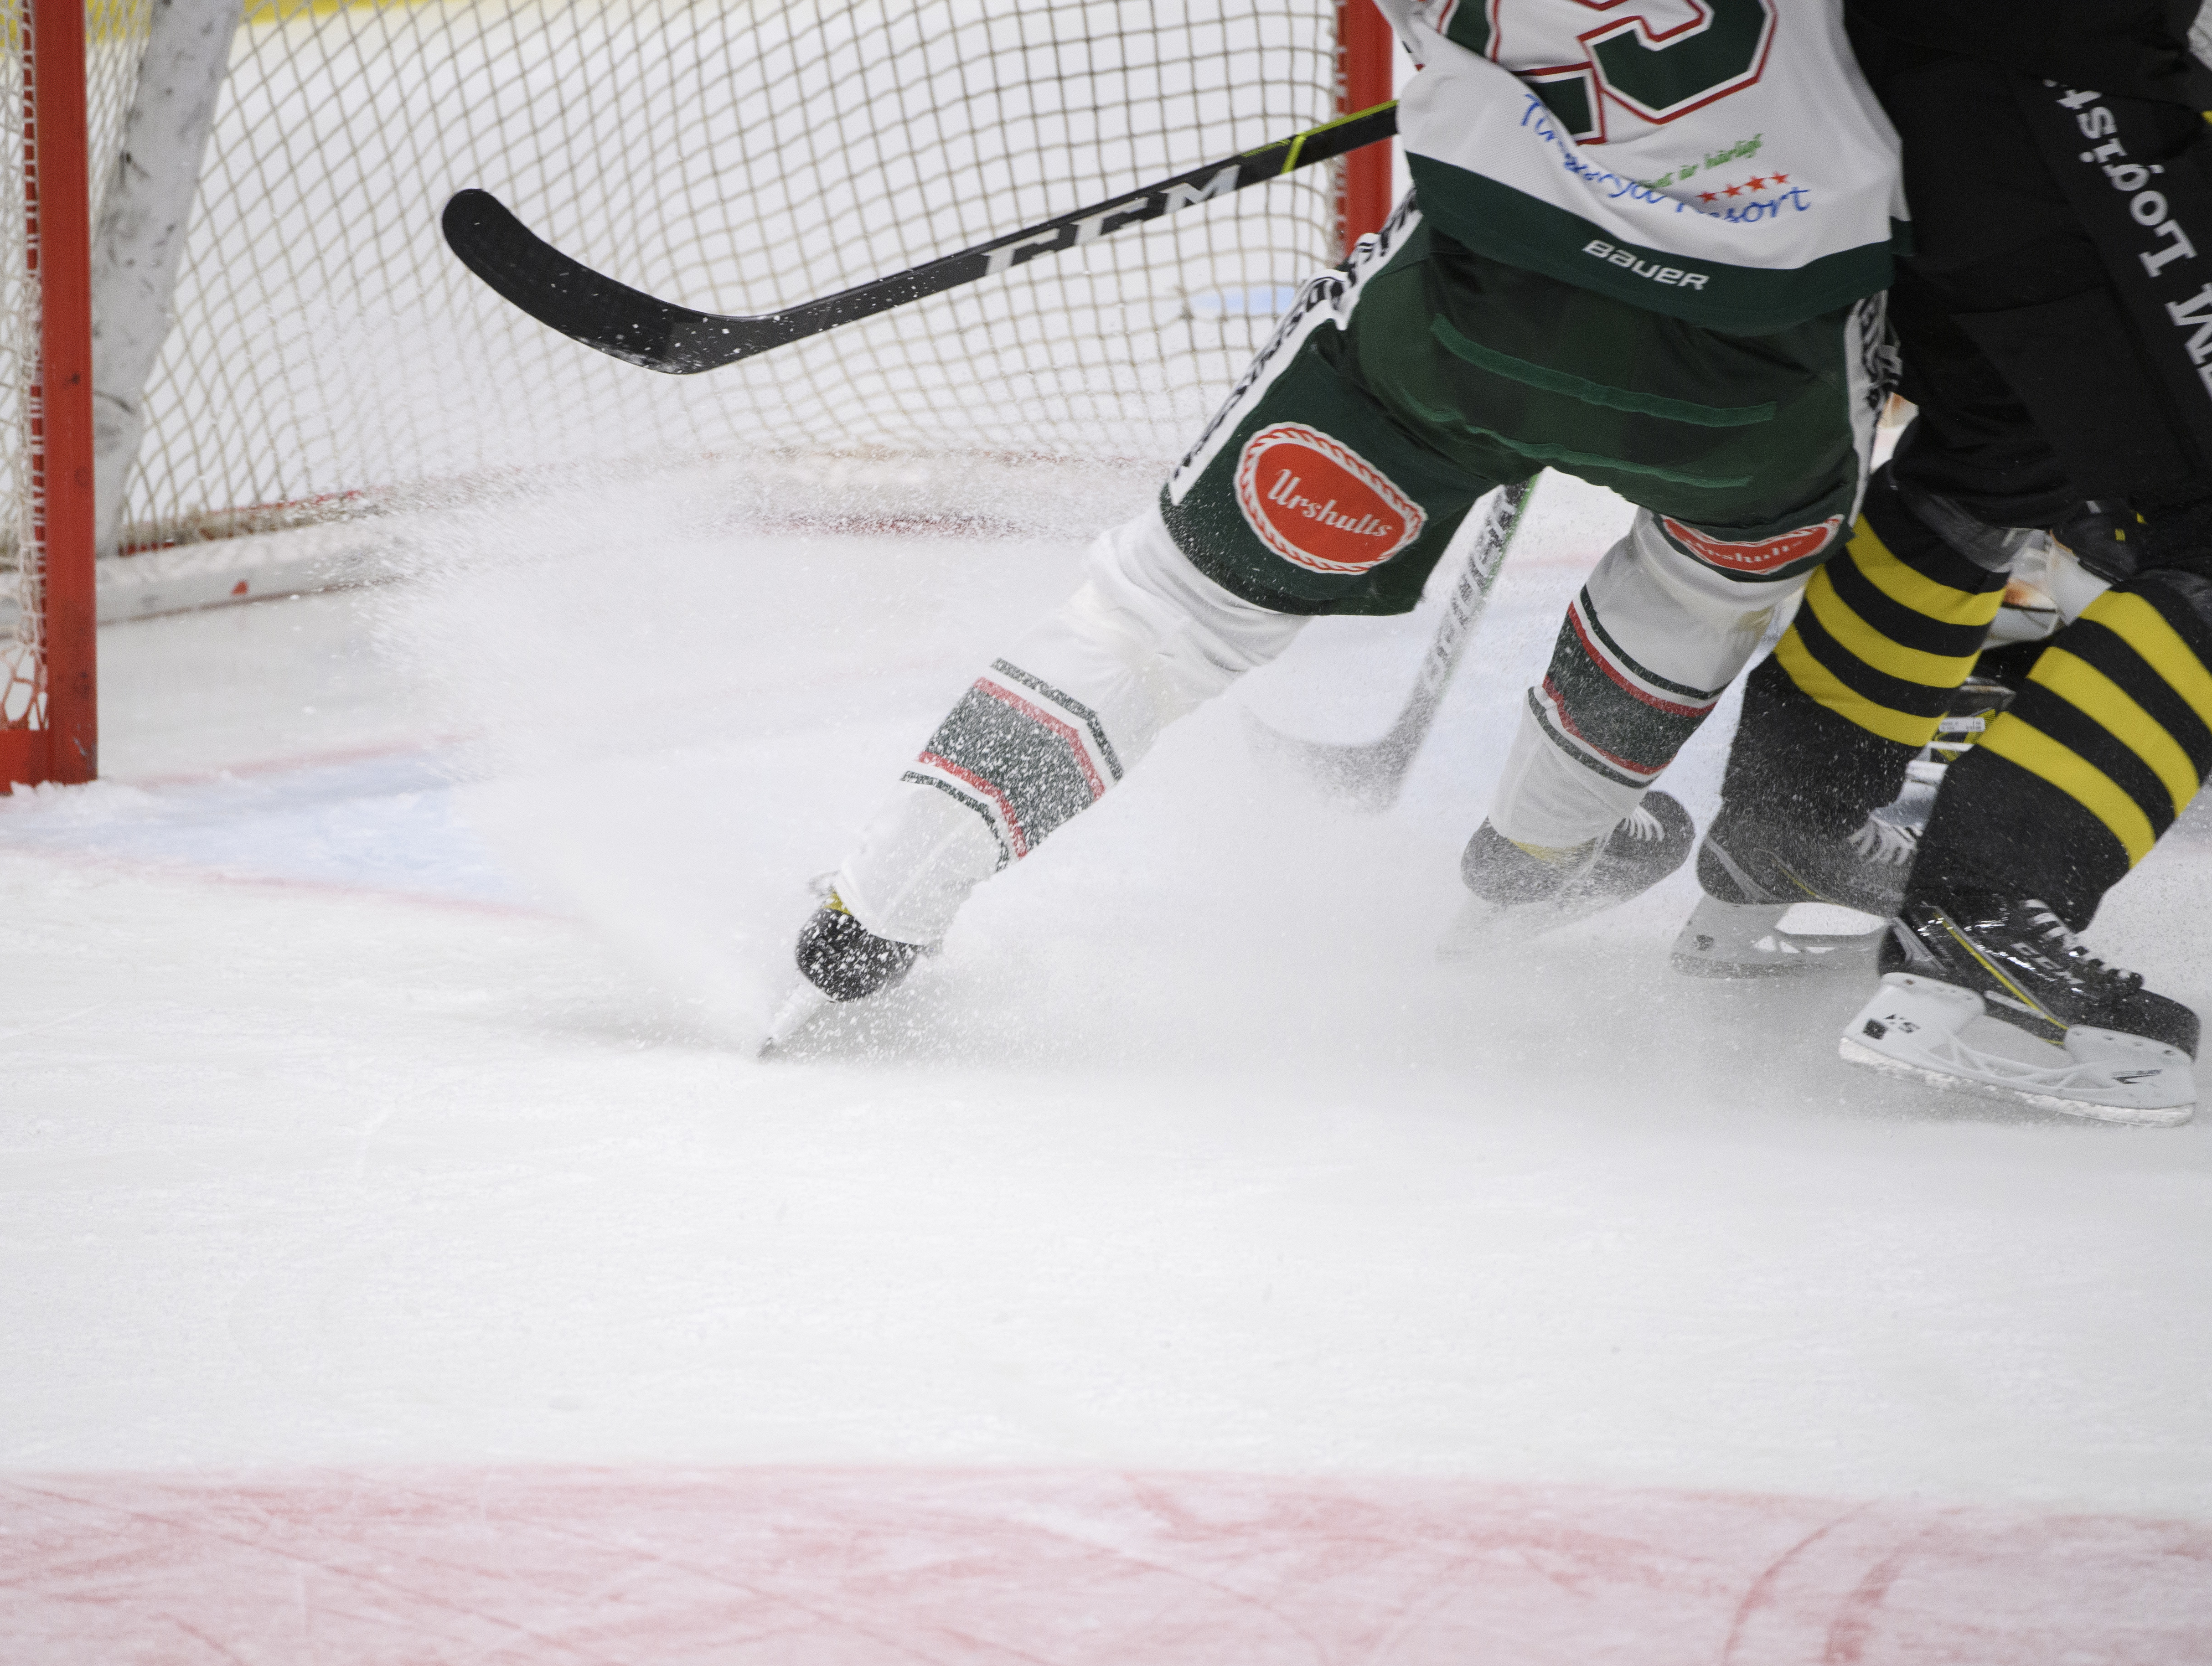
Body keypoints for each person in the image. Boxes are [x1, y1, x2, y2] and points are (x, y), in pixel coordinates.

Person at [764, 0, 1907, 1048]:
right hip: (1766, 367)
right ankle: (1540, 853)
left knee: (1170, 609)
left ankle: (871, 917)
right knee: (1708, 577)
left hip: (1457, 319)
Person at [1672, 0, 2212, 1122]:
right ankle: (1982, 920)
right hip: (2060, 68)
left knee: (1998, 439)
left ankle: (1796, 817)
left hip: (1926, 69)